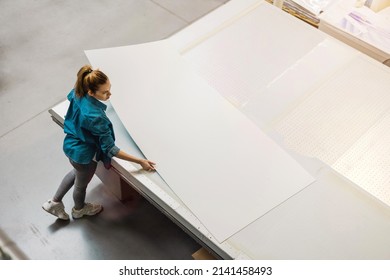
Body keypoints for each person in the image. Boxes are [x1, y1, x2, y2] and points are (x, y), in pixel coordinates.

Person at [42, 65, 156, 220]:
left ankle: (54, 202)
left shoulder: (78, 92)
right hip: (83, 156)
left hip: (70, 146)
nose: (110, 94)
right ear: (91, 92)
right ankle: (79, 209)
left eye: (109, 89)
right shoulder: (95, 117)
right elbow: (111, 149)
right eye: (105, 92)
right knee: (81, 185)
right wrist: (140, 161)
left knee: (75, 173)